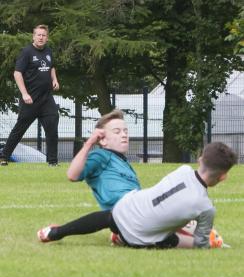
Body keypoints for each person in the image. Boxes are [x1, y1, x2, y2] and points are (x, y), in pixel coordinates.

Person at [37, 142, 237, 249]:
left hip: (126, 208)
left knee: (108, 217)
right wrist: (206, 240)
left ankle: (56, 232)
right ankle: (123, 240)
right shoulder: (206, 208)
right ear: (223, 177)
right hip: (140, 237)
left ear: (200, 159)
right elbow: (199, 245)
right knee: (175, 239)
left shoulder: (182, 169)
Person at [0, 24, 60, 166]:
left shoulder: (49, 51)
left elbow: (51, 67)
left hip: (46, 100)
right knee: (19, 130)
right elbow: (17, 73)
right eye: (38, 35)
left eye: (43, 35)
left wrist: (55, 80)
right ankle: (3, 157)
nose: (41, 37)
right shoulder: (26, 52)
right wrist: (24, 94)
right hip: (30, 100)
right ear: (33, 36)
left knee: (52, 128)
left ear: (47, 38)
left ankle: (52, 162)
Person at [66, 109, 141, 211]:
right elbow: (72, 175)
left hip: (138, 208)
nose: (124, 135)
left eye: (125, 131)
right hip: (126, 211)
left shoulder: (124, 162)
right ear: (103, 140)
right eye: (117, 132)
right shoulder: (101, 156)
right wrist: (89, 143)